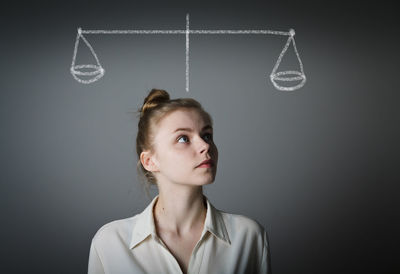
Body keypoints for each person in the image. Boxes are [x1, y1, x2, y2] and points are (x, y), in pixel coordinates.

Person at [88, 89, 271, 274]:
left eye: (207, 135)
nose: (205, 145)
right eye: (183, 138)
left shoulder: (248, 236)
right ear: (150, 161)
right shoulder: (110, 244)